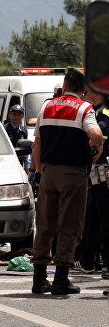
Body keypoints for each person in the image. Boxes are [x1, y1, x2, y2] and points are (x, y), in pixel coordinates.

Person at [30, 67, 104, 295]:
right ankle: (61, 278)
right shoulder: (84, 108)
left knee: (45, 225)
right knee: (70, 225)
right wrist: (98, 147)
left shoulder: (46, 106)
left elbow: (37, 146)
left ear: (64, 85)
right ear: (84, 90)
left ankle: (39, 278)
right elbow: (97, 135)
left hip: (48, 173)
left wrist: (39, 172)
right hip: (73, 175)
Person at [73, 88, 109, 276]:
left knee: (103, 218)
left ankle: (99, 262)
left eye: (86, 92)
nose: (83, 96)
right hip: (98, 173)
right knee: (94, 216)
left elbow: (97, 142)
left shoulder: (101, 114)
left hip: (104, 172)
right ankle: (88, 259)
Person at [3, 104, 29, 171]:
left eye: (19, 115)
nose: (16, 117)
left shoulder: (24, 131)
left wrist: (26, 167)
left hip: (19, 164)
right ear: (9, 115)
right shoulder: (4, 129)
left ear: (22, 116)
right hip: (6, 163)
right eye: (14, 114)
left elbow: (26, 151)